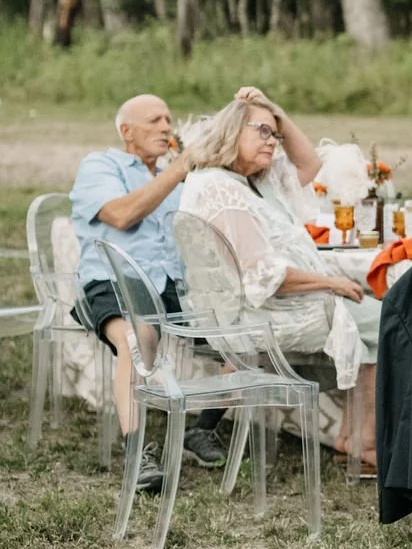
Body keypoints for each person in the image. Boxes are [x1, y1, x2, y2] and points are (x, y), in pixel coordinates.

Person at [180, 89, 375, 458]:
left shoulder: (252, 181)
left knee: (378, 306)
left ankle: (356, 434)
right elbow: (263, 276)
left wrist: (276, 113)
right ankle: (363, 442)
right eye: (263, 132)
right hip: (264, 313)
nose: (274, 141)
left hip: (258, 305)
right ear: (232, 132)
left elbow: (310, 165)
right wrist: (331, 283)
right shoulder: (224, 191)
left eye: (276, 134)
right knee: (384, 321)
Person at [69, 94, 225, 493]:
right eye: (154, 120)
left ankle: (201, 429)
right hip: (113, 278)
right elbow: (121, 215)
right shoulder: (101, 165)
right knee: (139, 338)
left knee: (241, 336)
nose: (166, 127)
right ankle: (138, 453)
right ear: (127, 131)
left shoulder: (179, 176)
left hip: (174, 284)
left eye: (169, 120)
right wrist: (179, 168)